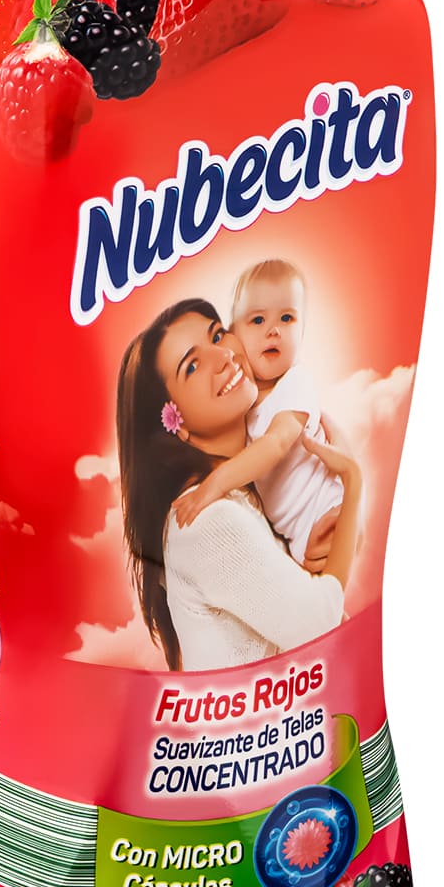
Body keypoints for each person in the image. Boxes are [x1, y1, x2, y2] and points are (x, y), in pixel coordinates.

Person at [115, 297, 363, 672]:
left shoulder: (250, 492)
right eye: (192, 366)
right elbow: (321, 624)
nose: (223, 357)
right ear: (176, 425)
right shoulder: (205, 518)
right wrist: (354, 482)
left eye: (217, 335)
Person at [170, 259, 341, 565]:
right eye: (258, 320)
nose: (273, 330)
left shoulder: (295, 383)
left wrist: (215, 484)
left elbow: (276, 443)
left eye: (287, 318)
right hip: (296, 539)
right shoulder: (244, 406)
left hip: (327, 508)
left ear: (302, 332)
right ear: (234, 332)